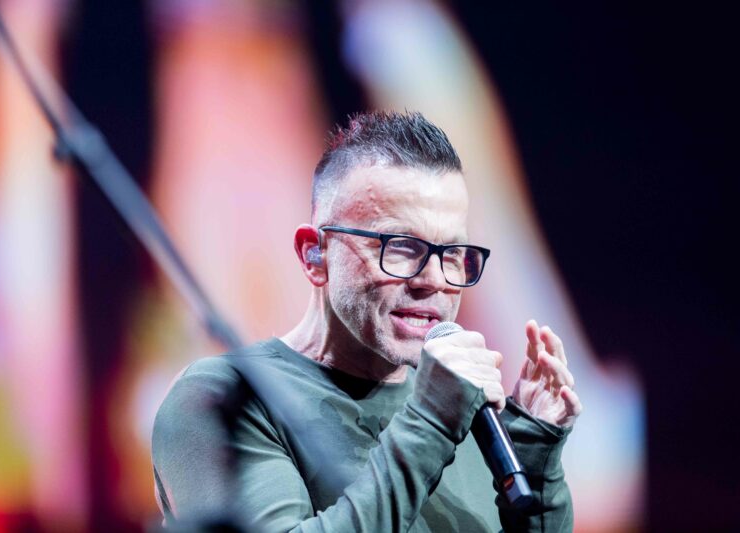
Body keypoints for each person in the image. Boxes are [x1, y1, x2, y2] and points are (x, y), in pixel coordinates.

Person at [151, 111, 583, 532]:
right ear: (314, 254)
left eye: (452, 253)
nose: (434, 280)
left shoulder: (470, 411)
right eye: (401, 247)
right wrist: (432, 420)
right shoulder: (224, 398)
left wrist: (535, 455)